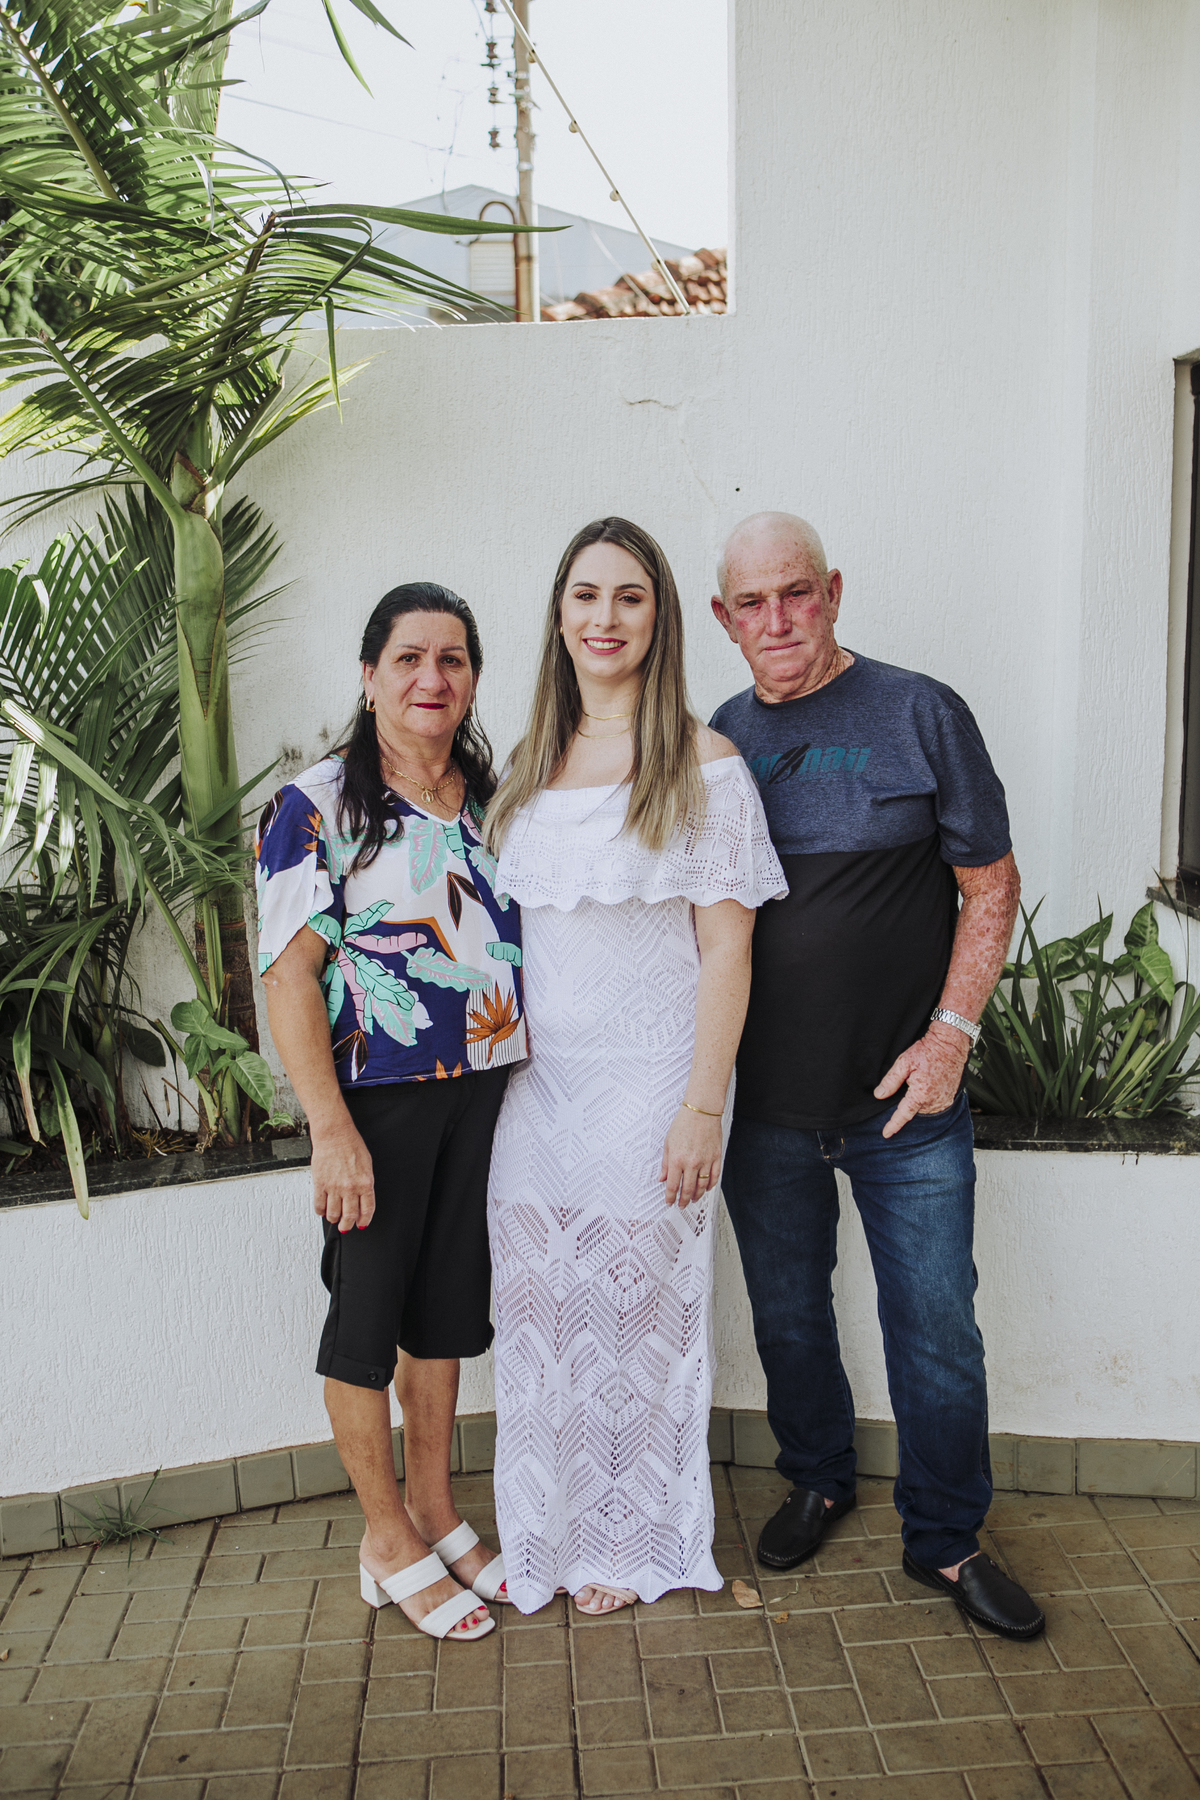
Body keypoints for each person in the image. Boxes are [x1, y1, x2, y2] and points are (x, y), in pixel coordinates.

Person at [708, 512, 1045, 1642]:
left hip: (910, 1104)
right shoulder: (719, 739)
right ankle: (817, 1478)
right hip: (765, 1110)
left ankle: (946, 1537)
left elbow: (990, 885)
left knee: (938, 1332)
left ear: (834, 591)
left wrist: (950, 1037)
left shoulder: (919, 711)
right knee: (790, 1319)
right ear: (724, 619)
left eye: (795, 593)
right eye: (752, 603)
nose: (777, 620)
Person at [484, 517, 786, 1617]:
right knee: (539, 1309)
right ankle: (546, 1531)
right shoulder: (524, 769)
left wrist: (703, 1105)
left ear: (660, 619)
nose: (604, 618)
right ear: (559, 615)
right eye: (585, 595)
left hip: (655, 1085)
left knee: (637, 1314)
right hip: (535, 1091)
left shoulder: (705, 766)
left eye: (629, 597)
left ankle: (629, 1537)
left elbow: (728, 952)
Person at [257, 582, 528, 1645]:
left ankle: (436, 1510)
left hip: (481, 1092)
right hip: (373, 1103)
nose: (432, 678)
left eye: (453, 659)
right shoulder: (318, 805)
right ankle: (384, 1539)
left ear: (473, 680)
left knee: (444, 1316)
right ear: (369, 676)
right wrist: (330, 1131)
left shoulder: (490, 798)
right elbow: (289, 977)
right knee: (367, 1324)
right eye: (409, 658)